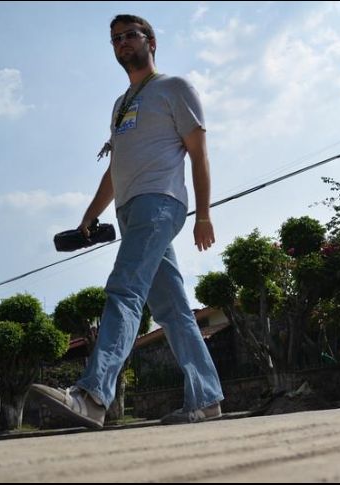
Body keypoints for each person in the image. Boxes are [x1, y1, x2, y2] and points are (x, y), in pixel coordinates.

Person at [30, 14, 223, 427]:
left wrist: (203, 213)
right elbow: (115, 168)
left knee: (124, 288)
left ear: (151, 41)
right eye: (115, 39)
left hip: (160, 204)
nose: (121, 43)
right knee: (173, 311)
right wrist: (89, 217)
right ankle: (206, 399)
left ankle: (93, 395)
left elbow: (198, 152)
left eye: (129, 36)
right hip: (131, 211)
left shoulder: (174, 88)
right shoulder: (121, 105)